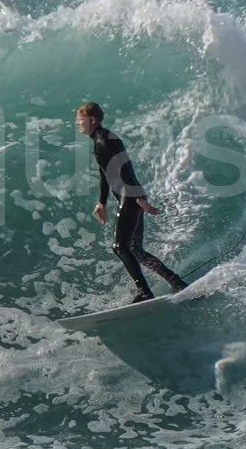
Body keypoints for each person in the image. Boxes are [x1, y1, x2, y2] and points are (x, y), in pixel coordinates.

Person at [77, 101, 186, 301]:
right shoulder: (105, 138)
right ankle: (176, 281)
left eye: (80, 120)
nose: (78, 123)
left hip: (130, 197)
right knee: (135, 249)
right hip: (132, 196)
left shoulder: (103, 142)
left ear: (92, 120)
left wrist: (138, 199)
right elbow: (105, 174)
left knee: (119, 246)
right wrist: (101, 202)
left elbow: (125, 171)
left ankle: (144, 291)